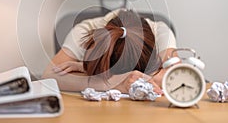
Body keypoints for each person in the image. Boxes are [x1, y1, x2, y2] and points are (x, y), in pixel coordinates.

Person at [42, 8, 177, 94]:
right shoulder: (85, 31)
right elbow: (48, 76)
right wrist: (110, 83)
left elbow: (177, 79)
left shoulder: (159, 33)